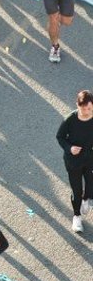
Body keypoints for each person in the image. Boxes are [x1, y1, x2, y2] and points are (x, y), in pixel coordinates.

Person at [55, 90, 93, 236]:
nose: (86, 112)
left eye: (89, 108)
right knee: (76, 191)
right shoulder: (70, 119)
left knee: (90, 186)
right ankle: (76, 217)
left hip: (90, 159)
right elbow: (60, 136)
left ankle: (87, 199)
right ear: (77, 105)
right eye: (83, 108)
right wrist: (69, 148)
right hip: (74, 161)